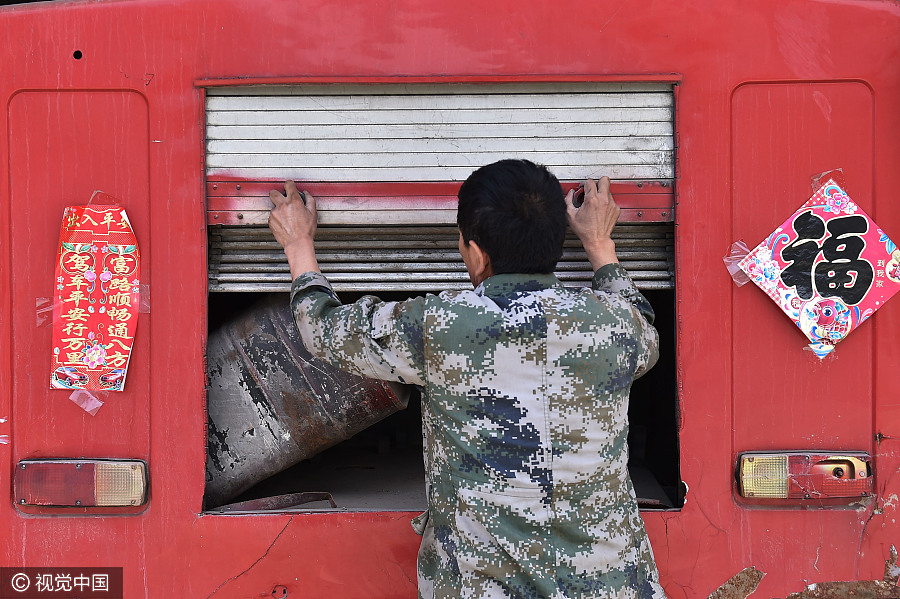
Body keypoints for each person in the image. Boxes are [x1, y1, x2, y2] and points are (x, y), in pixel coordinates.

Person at [268, 159, 666, 599]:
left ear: (476, 253)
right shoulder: (618, 327)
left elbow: (323, 331)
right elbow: (642, 325)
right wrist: (599, 243)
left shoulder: (440, 326)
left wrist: (298, 243)